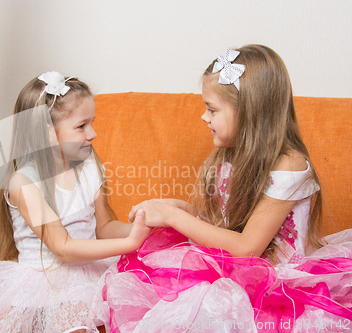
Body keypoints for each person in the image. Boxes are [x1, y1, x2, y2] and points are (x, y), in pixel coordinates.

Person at [94, 45, 352, 332]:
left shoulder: (289, 164)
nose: (204, 117)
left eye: (212, 109)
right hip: (237, 272)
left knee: (208, 304)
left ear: (249, 112)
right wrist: (180, 208)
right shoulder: (229, 157)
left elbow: (247, 246)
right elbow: (226, 226)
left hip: (281, 286)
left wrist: (173, 217)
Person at [0, 71, 151, 333]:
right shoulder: (23, 183)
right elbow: (62, 247)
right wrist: (129, 243)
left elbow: (104, 227)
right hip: (39, 278)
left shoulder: (88, 166)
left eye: (92, 123)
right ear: (47, 134)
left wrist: (144, 226)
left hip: (88, 273)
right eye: (81, 126)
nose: (93, 133)